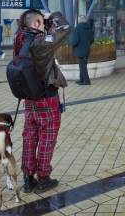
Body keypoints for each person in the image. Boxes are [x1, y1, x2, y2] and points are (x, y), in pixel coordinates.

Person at [13, 10, 71, 194]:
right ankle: (44, 178)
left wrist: (43, 24)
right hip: (47, 98)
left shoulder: (19, 40)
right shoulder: (39, 43)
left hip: (29, 99)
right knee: (47, 138)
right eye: (41, 22)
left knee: (30, 137)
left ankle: (28, 179)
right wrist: (52, 16)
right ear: (36, 24)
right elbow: (67, 28)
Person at [70, 15, 95, 86]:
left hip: (79, 49)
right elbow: (92, 39)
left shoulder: (77, 29)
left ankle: (86, 80)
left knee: (82, 65)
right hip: (86, 49)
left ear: (78, 21)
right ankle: (82, 79)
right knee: (82, 65)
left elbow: (74, 41)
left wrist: (73, 46)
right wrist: (87, 44)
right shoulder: (89, 28)